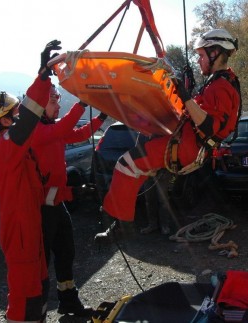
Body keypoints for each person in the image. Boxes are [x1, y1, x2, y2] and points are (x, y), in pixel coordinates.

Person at [97, 28, 241, 230]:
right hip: (188, 142)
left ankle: (118, 217)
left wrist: (185, 95)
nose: (198, 60)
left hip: (188, 146)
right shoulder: (221, 82)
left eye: (201, 55)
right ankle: (124, 214)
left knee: (126, 164)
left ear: (215, 53)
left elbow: (209, 126)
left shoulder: (221, 86)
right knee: (138, 168)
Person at [0, 41, 61, 323]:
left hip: (30, 229)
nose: (18, 116)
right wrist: (42, 76)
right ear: (2, 121)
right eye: (13, 112)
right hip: (21, 233)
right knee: (24, 294)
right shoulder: (2, 148)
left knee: (38, 287)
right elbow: (28, 119)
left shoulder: (14, 150)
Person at [31, 81, 107, 316]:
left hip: (56, 205)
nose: (58, 104)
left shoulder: (51, 129)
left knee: (66, 253)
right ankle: (37, 311)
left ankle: (68, 301)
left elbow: (80, 133)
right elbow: (65, 129)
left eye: (57, 99)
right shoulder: (35, 130)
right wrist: (82, 103)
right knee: (39, 265)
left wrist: (102, 117)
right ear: (39, 104)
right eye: (53, 100)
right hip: (40, 212)